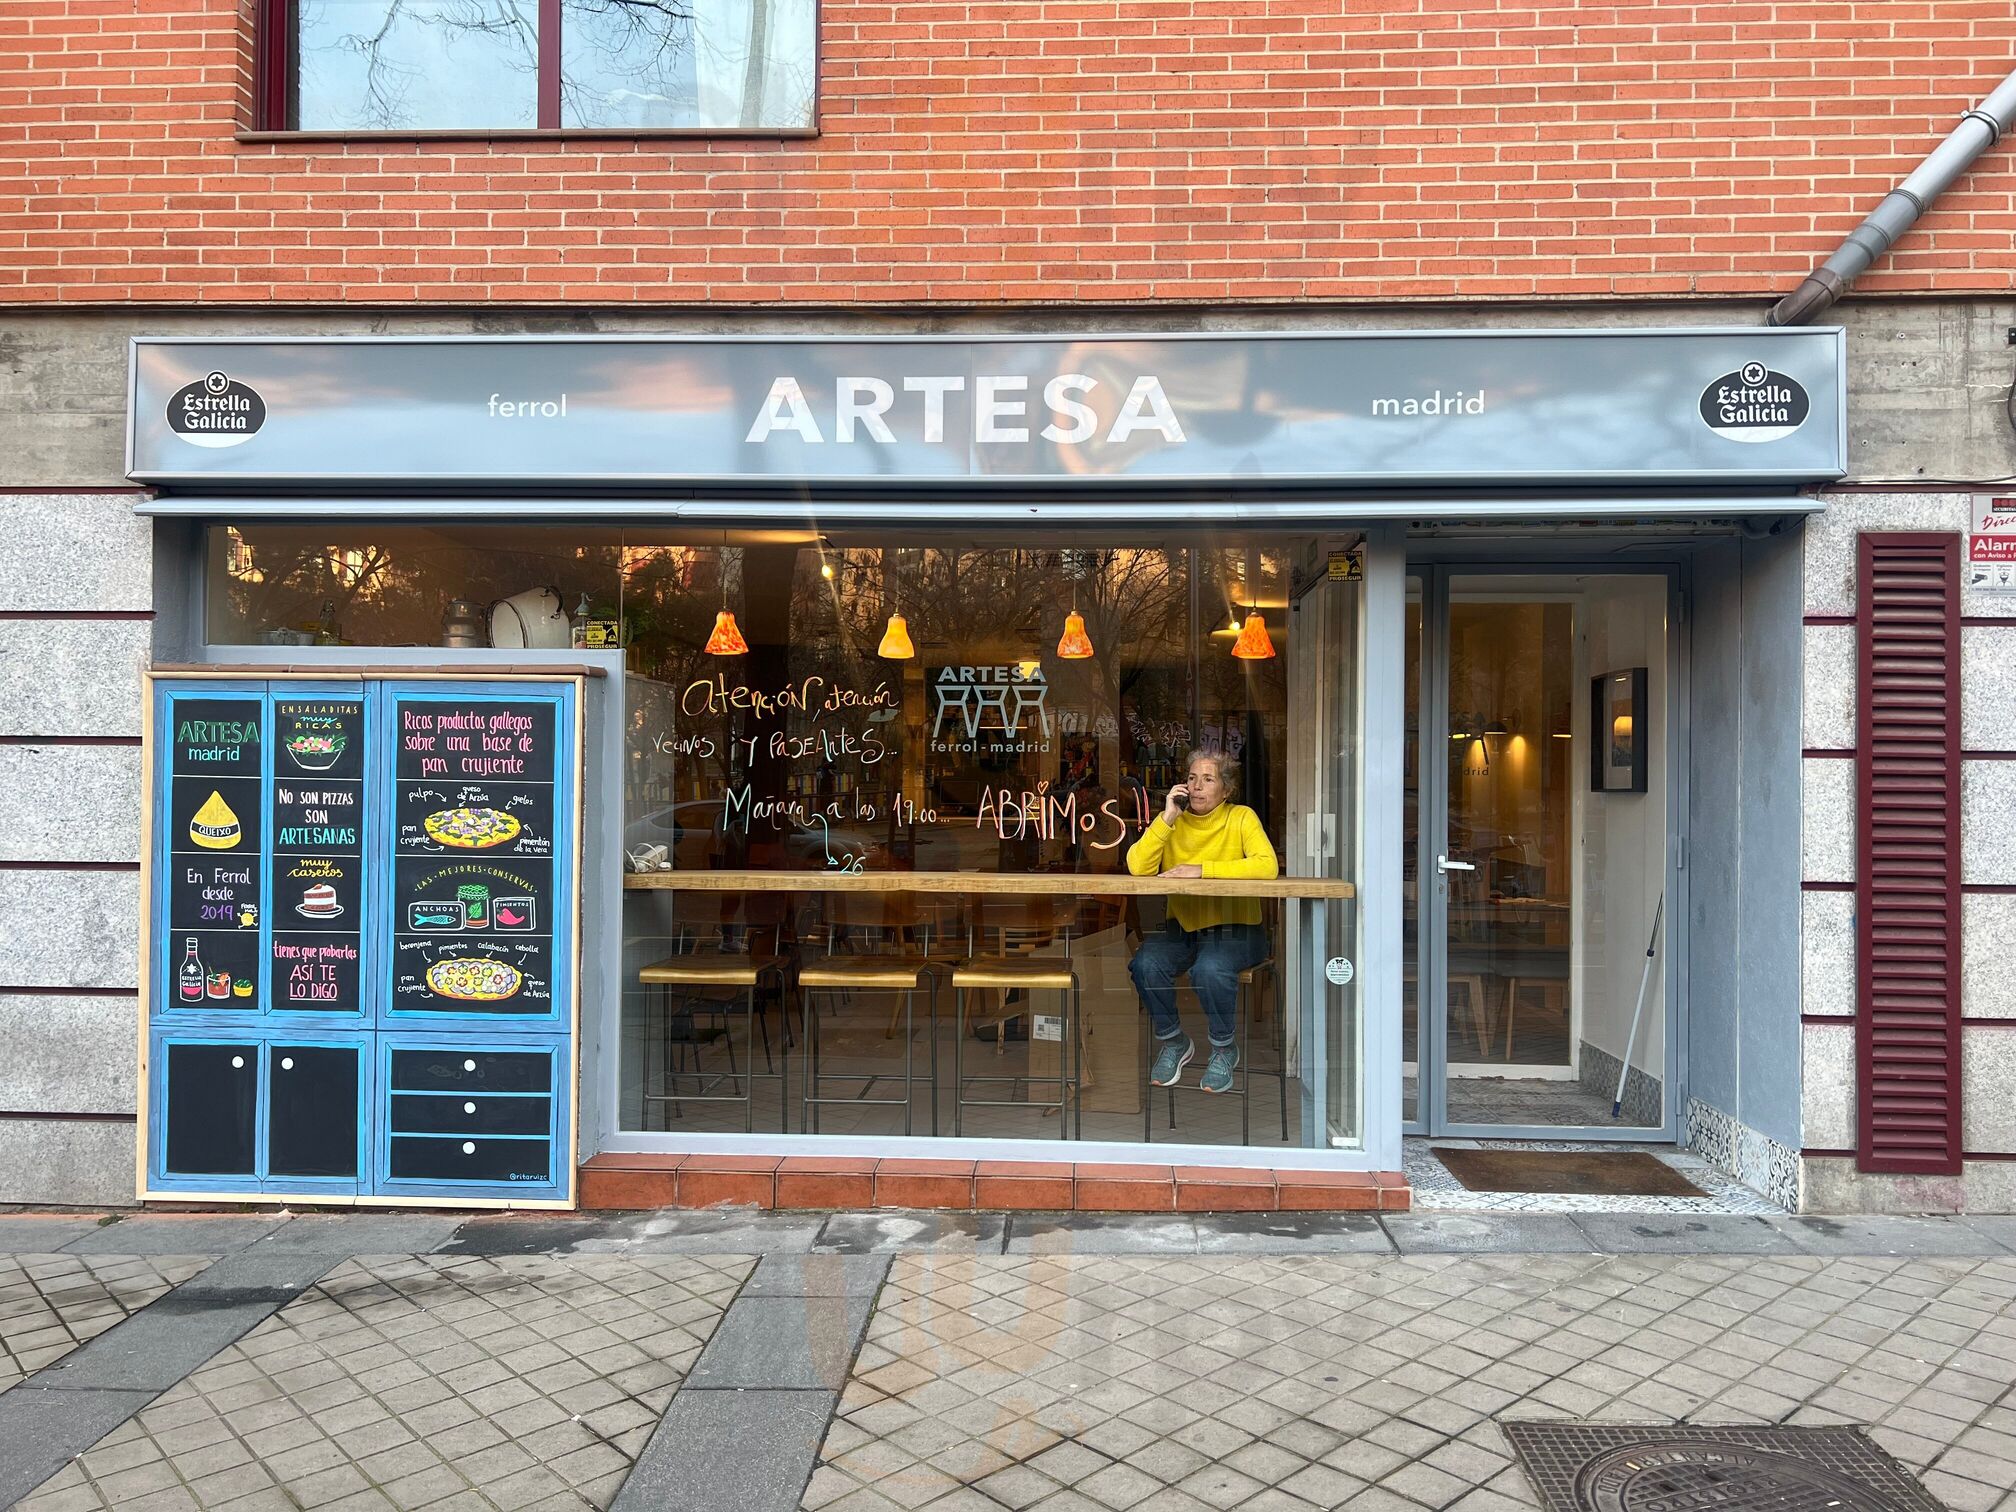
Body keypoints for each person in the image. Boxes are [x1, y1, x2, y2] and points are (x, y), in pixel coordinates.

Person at [1125, 749, 1278, 1093]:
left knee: (1209, 970)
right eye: (1192, 778)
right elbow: (1138, 867)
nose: (1196, 786)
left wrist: (1202, 870)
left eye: (1208, 779)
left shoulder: (1241, 817)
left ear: (1226, 790)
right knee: (1145, 964)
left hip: (1238, 929)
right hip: (1184, 929)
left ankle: (1223, 1048)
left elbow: (1267, 865)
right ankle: (1174, 1041)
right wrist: (1166, 818)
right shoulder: (1172, 822)